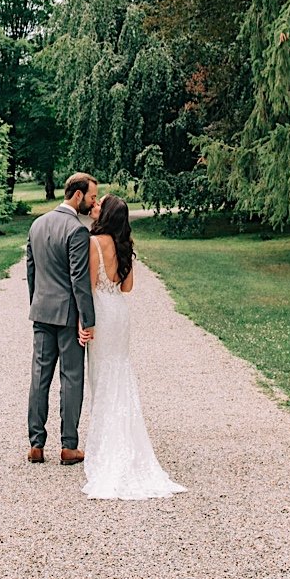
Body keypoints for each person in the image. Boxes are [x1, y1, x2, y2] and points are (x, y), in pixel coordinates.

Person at [80, 193, 185, 500]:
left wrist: (82, 322)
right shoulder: (125, 245)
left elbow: (87, 286)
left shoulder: (94, 242)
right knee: (119, 371)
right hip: (119, 313)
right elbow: (127, 287)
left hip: (100, 311)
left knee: (100, 375)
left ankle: (104, 444)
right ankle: (123, 437)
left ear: (106, 215)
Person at [24, 173, 98, 465]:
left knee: (39, 377)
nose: (93, 202)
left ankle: (36, 444)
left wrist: (36, 303)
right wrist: (87, 319)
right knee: (71, 377)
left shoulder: (37, 224)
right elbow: (78, 279)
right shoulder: (77, 230)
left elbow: (31, 271)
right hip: (68, 316)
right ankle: (69, 446)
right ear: (77, 195)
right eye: (92, 196)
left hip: (42, 312)